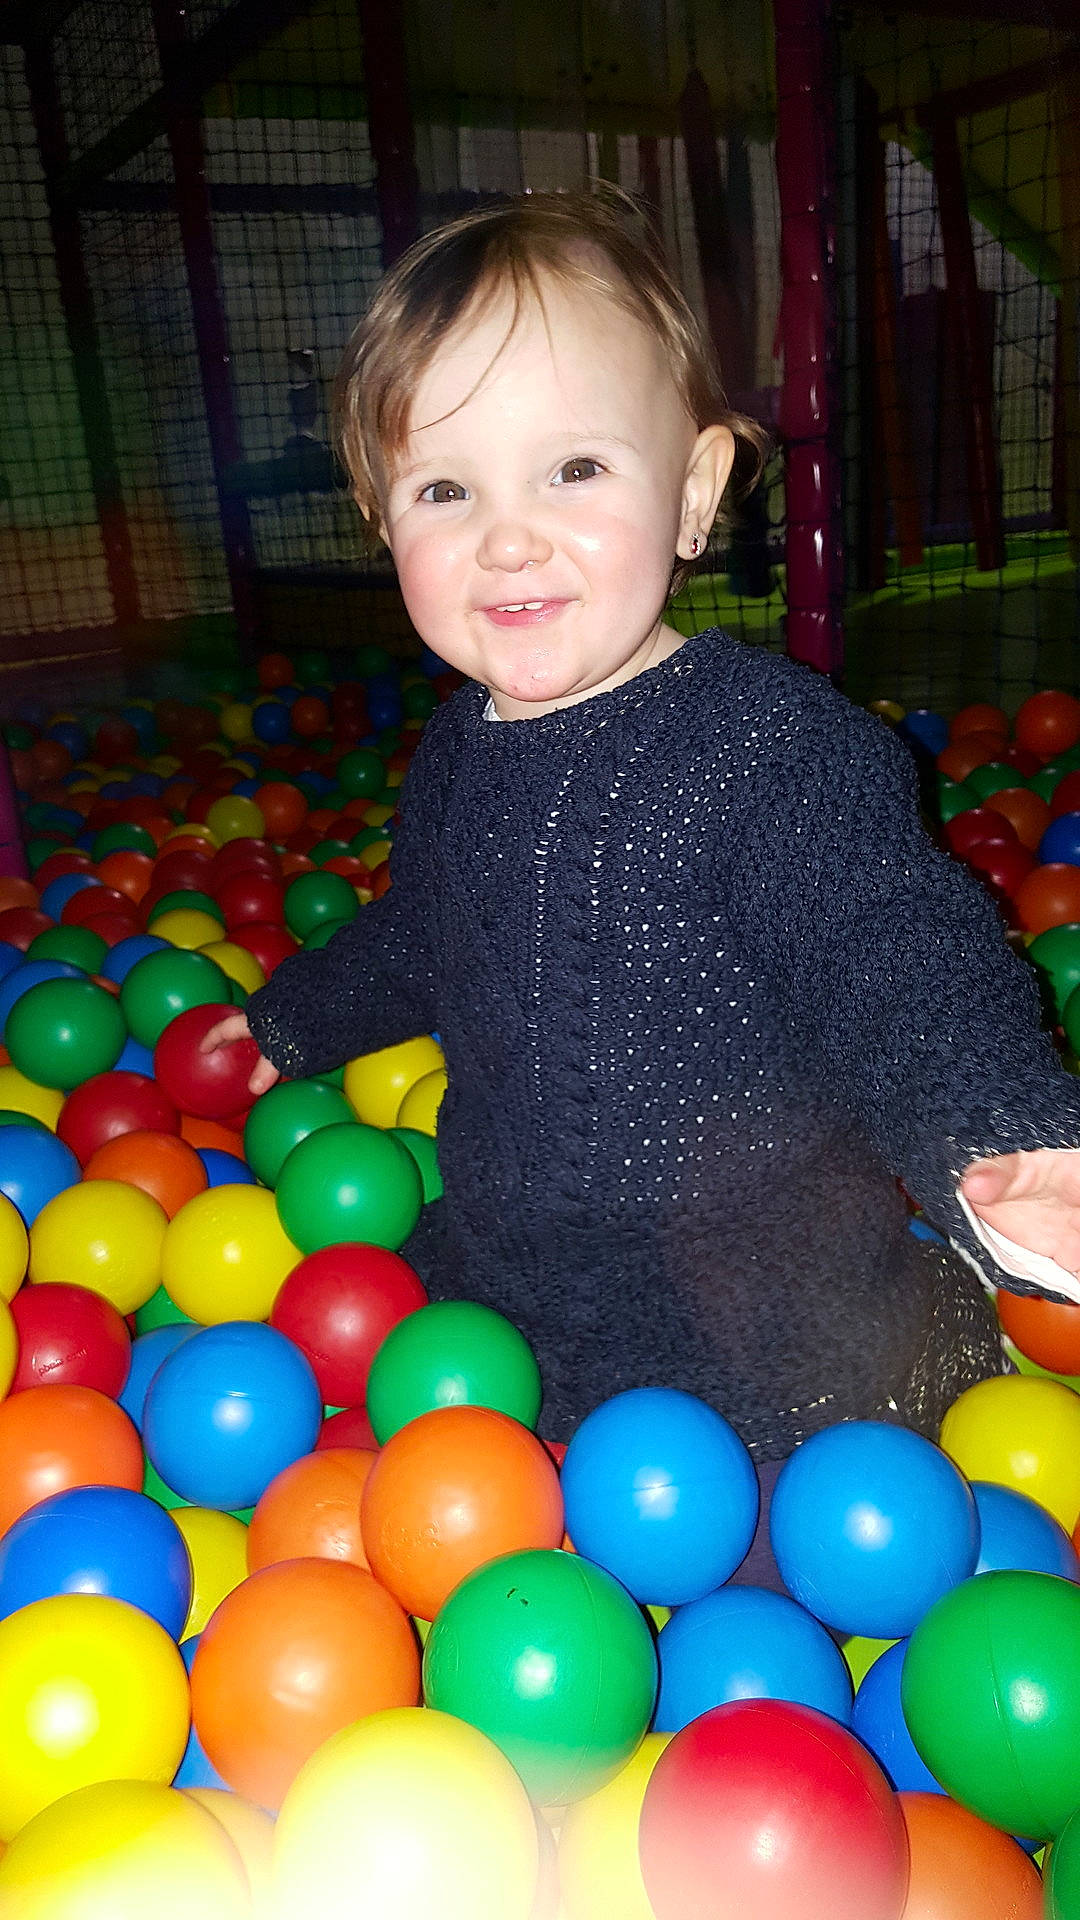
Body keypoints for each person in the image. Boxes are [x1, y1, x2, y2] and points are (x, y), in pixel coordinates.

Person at [203, 184, 1080, 1576]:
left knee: (787, 1558)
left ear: (694, 493)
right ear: (386, 526)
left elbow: (894, 948)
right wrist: (297, 1018)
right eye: (446, 489)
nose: (507, 535)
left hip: (775, 1329)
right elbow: (429, 935)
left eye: (574, 471)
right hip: (509, 1291)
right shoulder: (453, 756)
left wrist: (999, 1127)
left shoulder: (770, 748)